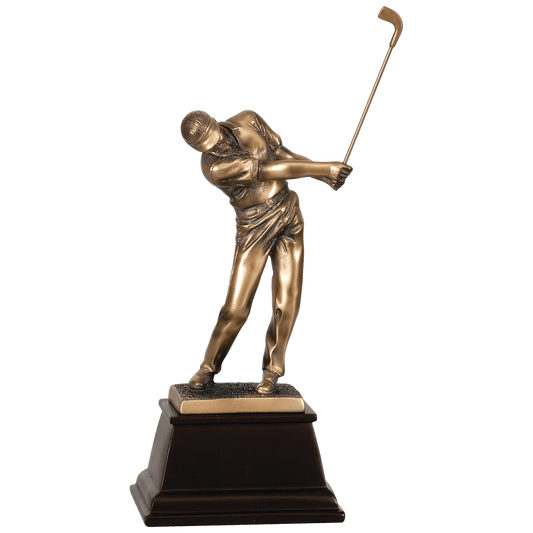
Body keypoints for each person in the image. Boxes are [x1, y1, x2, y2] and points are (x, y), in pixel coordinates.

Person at [180, 109, 352, 394]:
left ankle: (272, 370)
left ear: (215, 124)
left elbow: (281, 154)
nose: (216, 146)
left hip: (288, 211)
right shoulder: (214, 168)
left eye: (215, 138)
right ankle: (208, 367)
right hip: (254, 224)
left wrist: (321, 174)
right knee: (236, 308)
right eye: (207, 147)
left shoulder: (248, 118)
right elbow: (268, 170)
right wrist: (323, 169)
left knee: (287, 299)